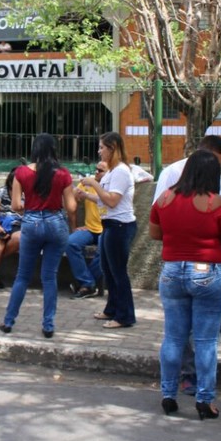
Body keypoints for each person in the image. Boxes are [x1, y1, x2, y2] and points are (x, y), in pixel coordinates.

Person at [152, 135, 221, 397]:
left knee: (174, 337)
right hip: (208, 269)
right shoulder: (214, 201)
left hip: (173, 270)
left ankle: (168, 394)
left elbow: (155, 231)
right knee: (206, 339)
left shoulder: (165, 199)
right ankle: (204, 396)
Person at [0, 133, 77, 338]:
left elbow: (16, 205)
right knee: (49, 277)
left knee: (22, 276)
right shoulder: (63, 173)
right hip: (56, 223)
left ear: (35, 149)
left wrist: (32, 209)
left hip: (31, 224)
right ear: (53, 149)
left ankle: (8, 321)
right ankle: (48, 325)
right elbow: (71, 207)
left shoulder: (21, 172)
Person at [79, 131, 136, 329]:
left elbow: (112, 200)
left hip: (120, 226)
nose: (99, 151)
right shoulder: (112, 171)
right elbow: (104, 199)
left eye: (102, 147)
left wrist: (94, 183)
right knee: (108, 270)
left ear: (113, 148)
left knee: (118, 272)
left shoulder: (121, 171)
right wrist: (87, 196)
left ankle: (125, 316)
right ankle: (111, 309)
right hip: (109, 225)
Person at [68, 162, 107, 299]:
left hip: (106, 229)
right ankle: (87, 282)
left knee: (105, 251)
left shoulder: (111, 187)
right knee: (71, 243)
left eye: (100, 171)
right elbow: (73, 199)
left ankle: (84, 284)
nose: (96, 172)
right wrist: (74, 227)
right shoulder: (88, 184)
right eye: (96, 169)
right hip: (89, 229)